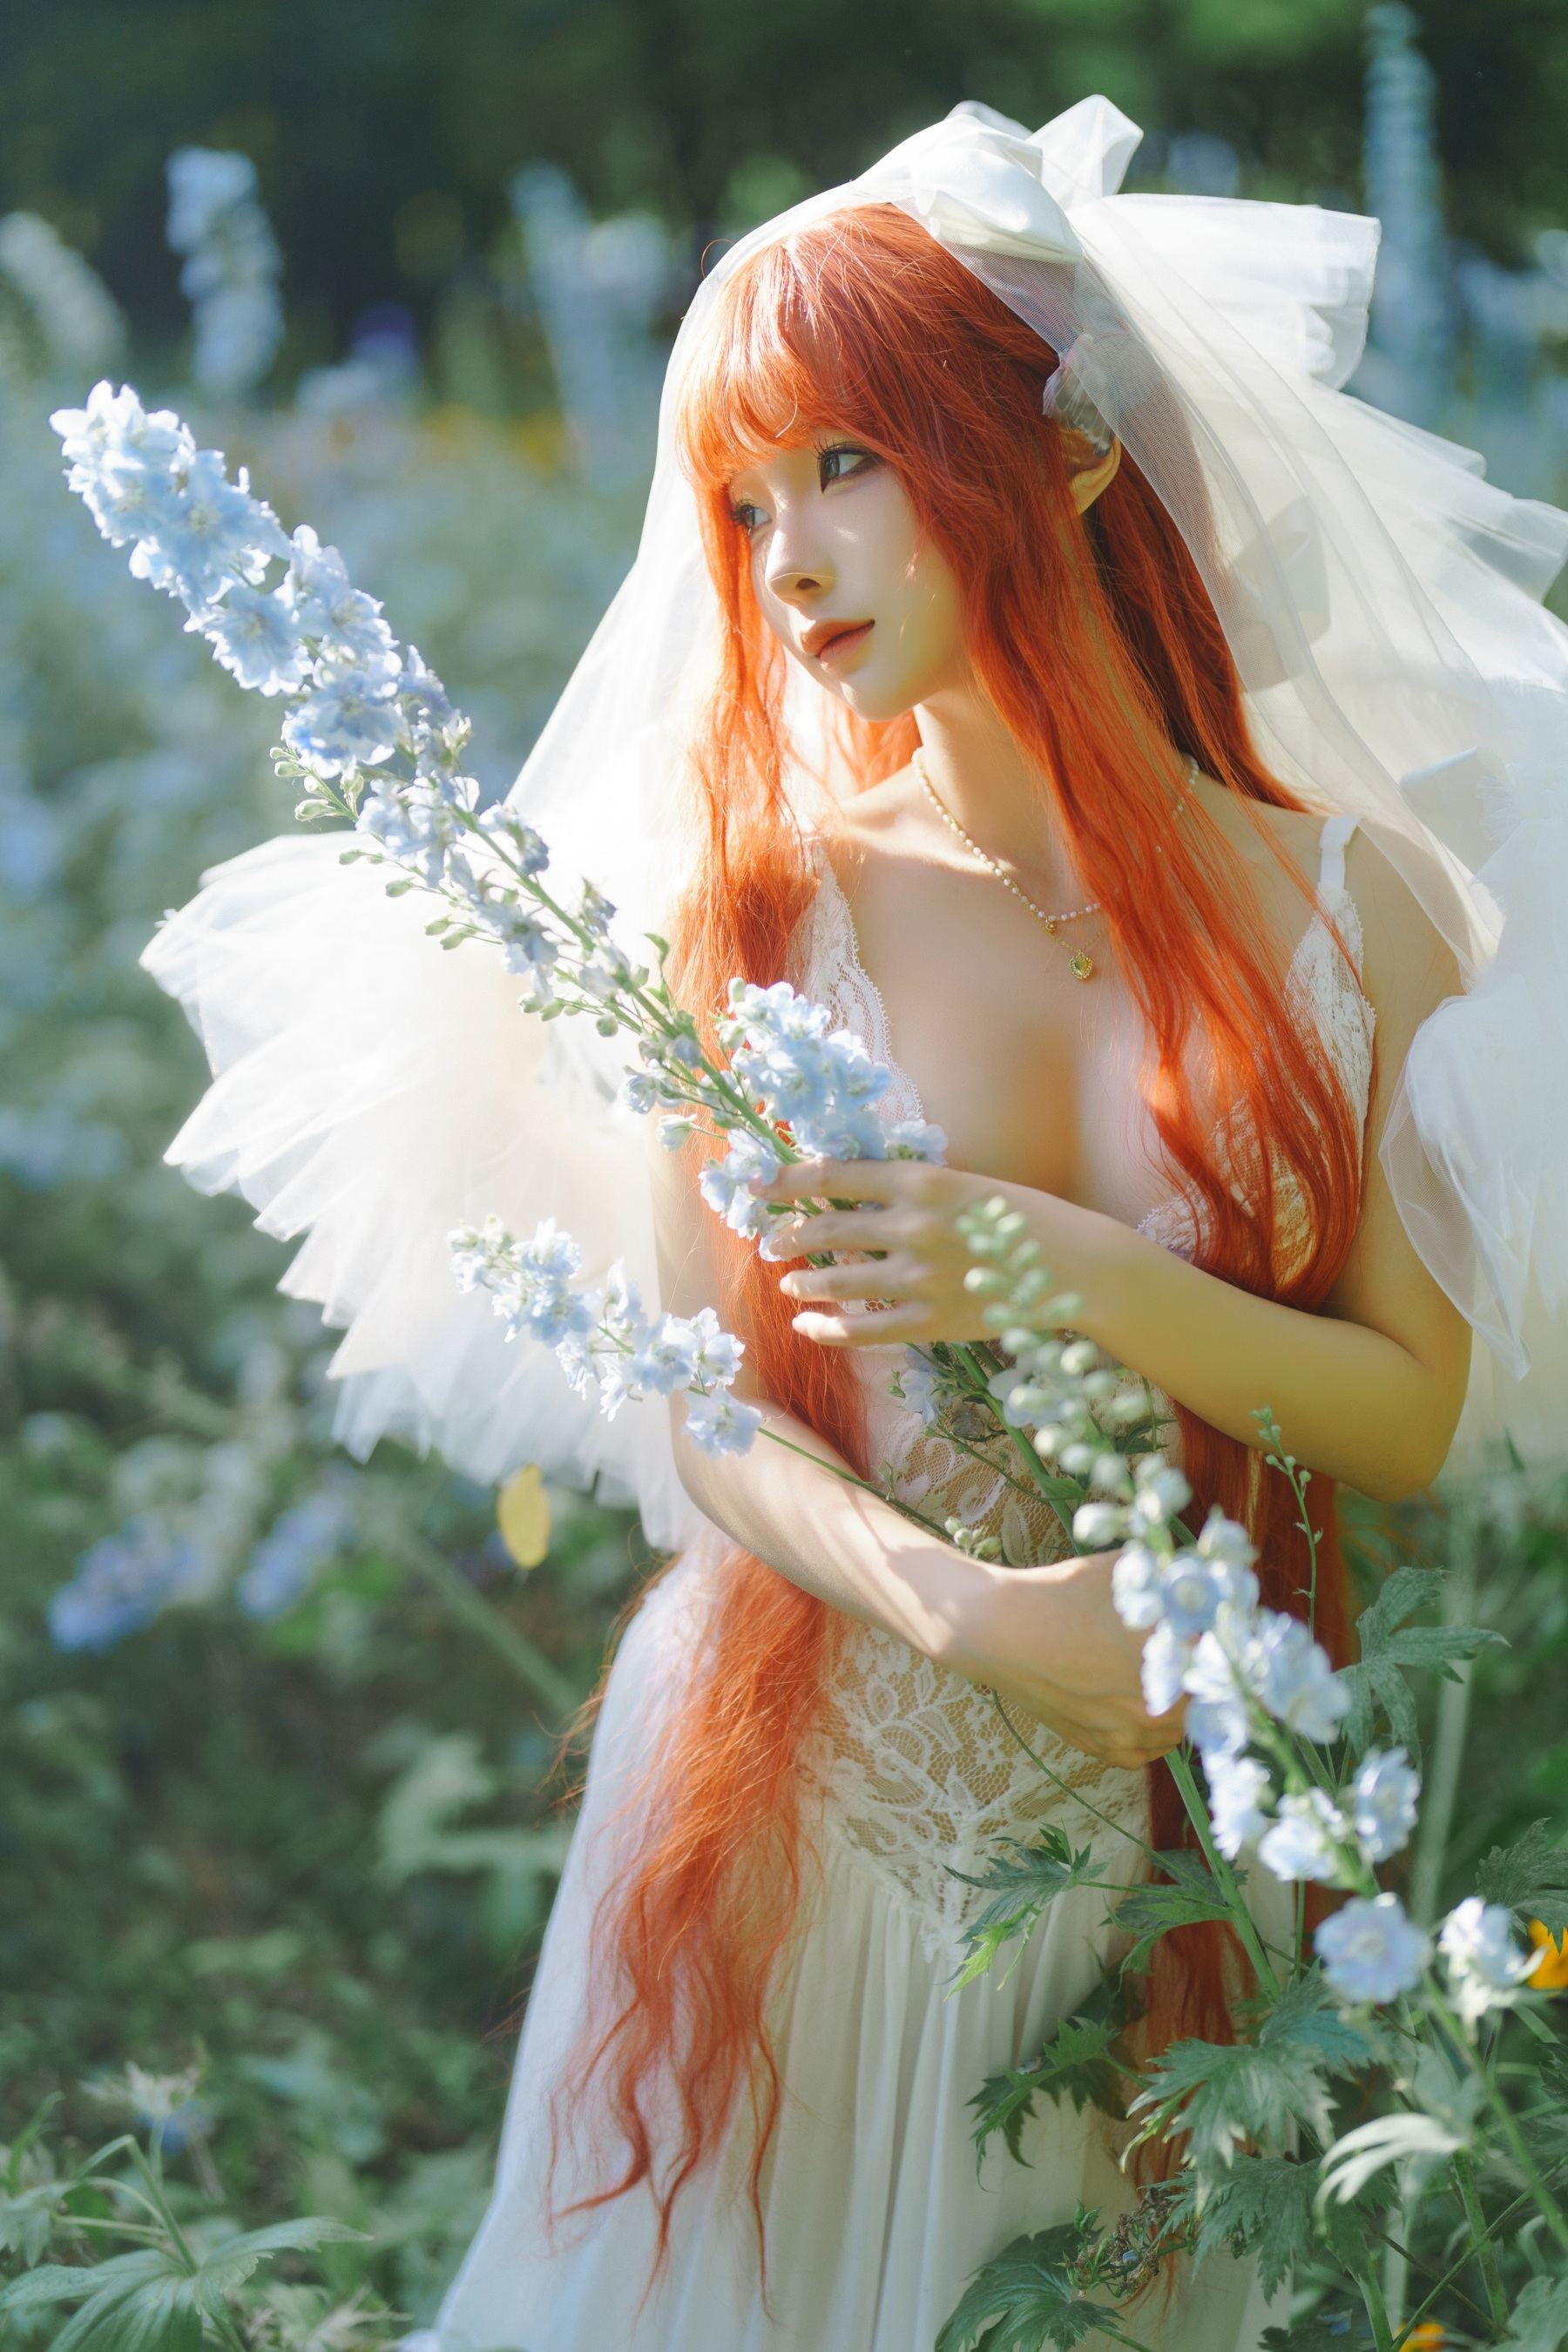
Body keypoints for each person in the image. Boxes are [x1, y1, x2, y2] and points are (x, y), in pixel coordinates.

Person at [144, 98, 1568, 2352]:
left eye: (845, 467)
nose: (785, 558)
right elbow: (698, 1406)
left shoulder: (1349, 903)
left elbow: (1402, 1416)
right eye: (742, 499)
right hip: (808, 1786)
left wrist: (1075, 1271)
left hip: (1183, 1822)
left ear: (1067, 454)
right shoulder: (763, 910)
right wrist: (977, 1614)